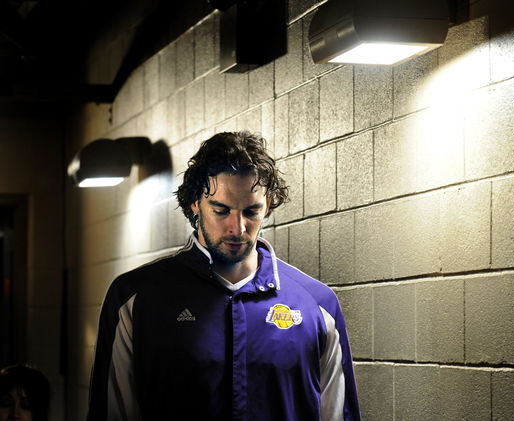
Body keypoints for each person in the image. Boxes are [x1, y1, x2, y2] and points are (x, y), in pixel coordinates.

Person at [87, 131, 361, 420]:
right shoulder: (135, 298)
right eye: (221, 210)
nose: (238, 228)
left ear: (267, 205)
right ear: (195, 203)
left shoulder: (318, 306)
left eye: (251, 212)